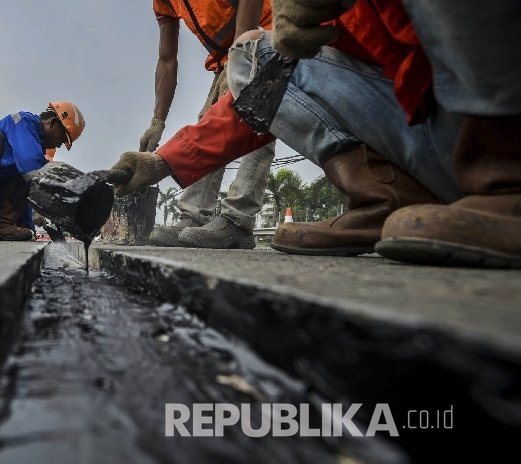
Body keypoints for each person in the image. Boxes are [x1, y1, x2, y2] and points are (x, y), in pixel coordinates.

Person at [110, 0, 519, 266]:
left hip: (486, 113)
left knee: (247, 50)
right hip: (436, 135)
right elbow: (265, 95)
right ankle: (391, 196)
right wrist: (162, 160)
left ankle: (508, 187)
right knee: (252, 60)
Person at [143, 0, 277, 249]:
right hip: (229, 56)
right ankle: (193, 215)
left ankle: (239, 220)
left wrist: (243, 56)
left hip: (266, 37)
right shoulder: (163, 3)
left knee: (255, 118)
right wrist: (157, 122)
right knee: (209, 122)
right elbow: (166, 60)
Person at [0, 101, 85, 241]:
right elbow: (31, 166)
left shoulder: (37, 149)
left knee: (27, 177)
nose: (60, 145)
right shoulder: (23, 121)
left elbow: (26, 184)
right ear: (52, 122)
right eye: (62, 137)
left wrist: (27, 227)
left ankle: (0, 224)